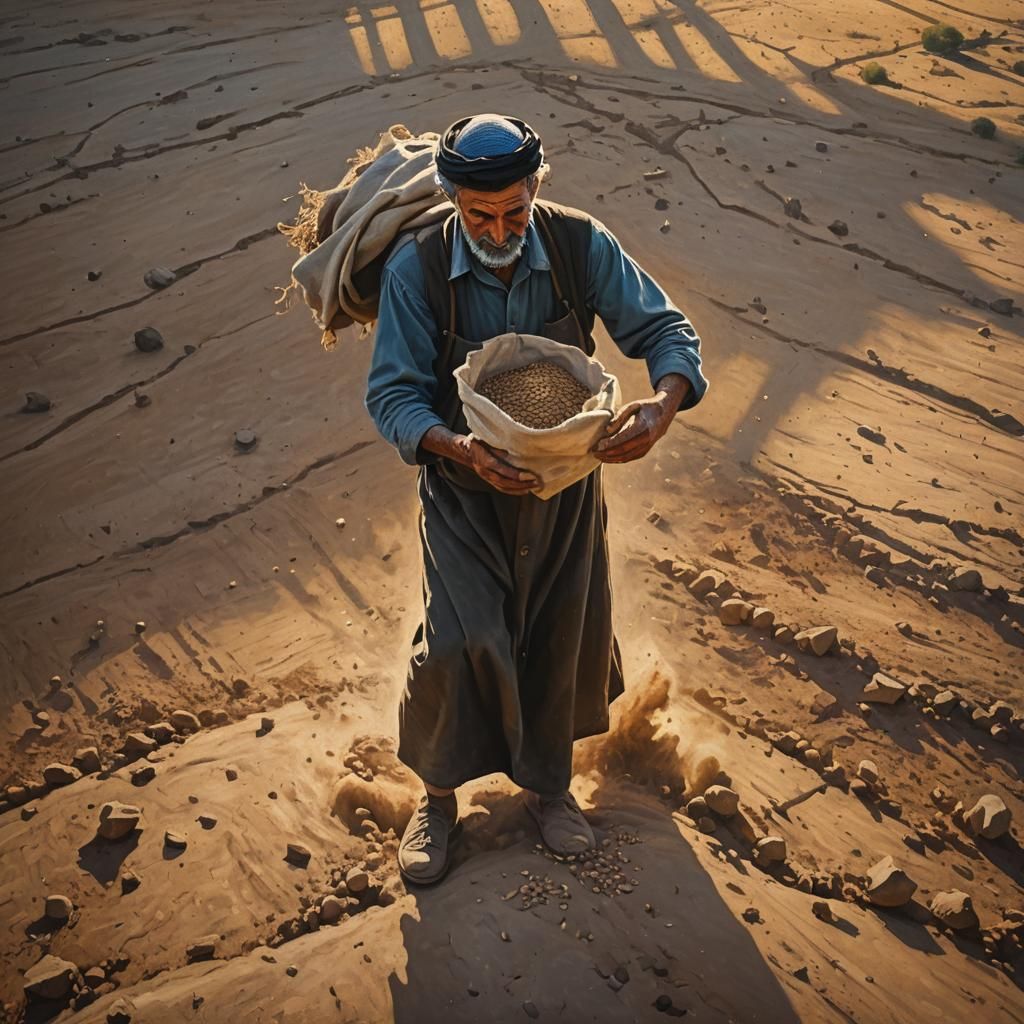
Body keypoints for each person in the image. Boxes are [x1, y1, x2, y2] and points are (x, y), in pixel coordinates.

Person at [364, 113, 708, 884]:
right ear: (453, 199)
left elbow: (665, 331)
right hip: (463, 492)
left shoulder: (578, 243)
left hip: (566, 492)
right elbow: (393, 394)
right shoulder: (416, 270)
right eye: (479, 216)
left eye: (514, 211)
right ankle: (438, 799)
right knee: (456, 639)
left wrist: (661, 406)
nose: (498, 229)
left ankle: (551, 793)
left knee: (561, 634)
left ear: (536, 189)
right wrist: (455, 446)